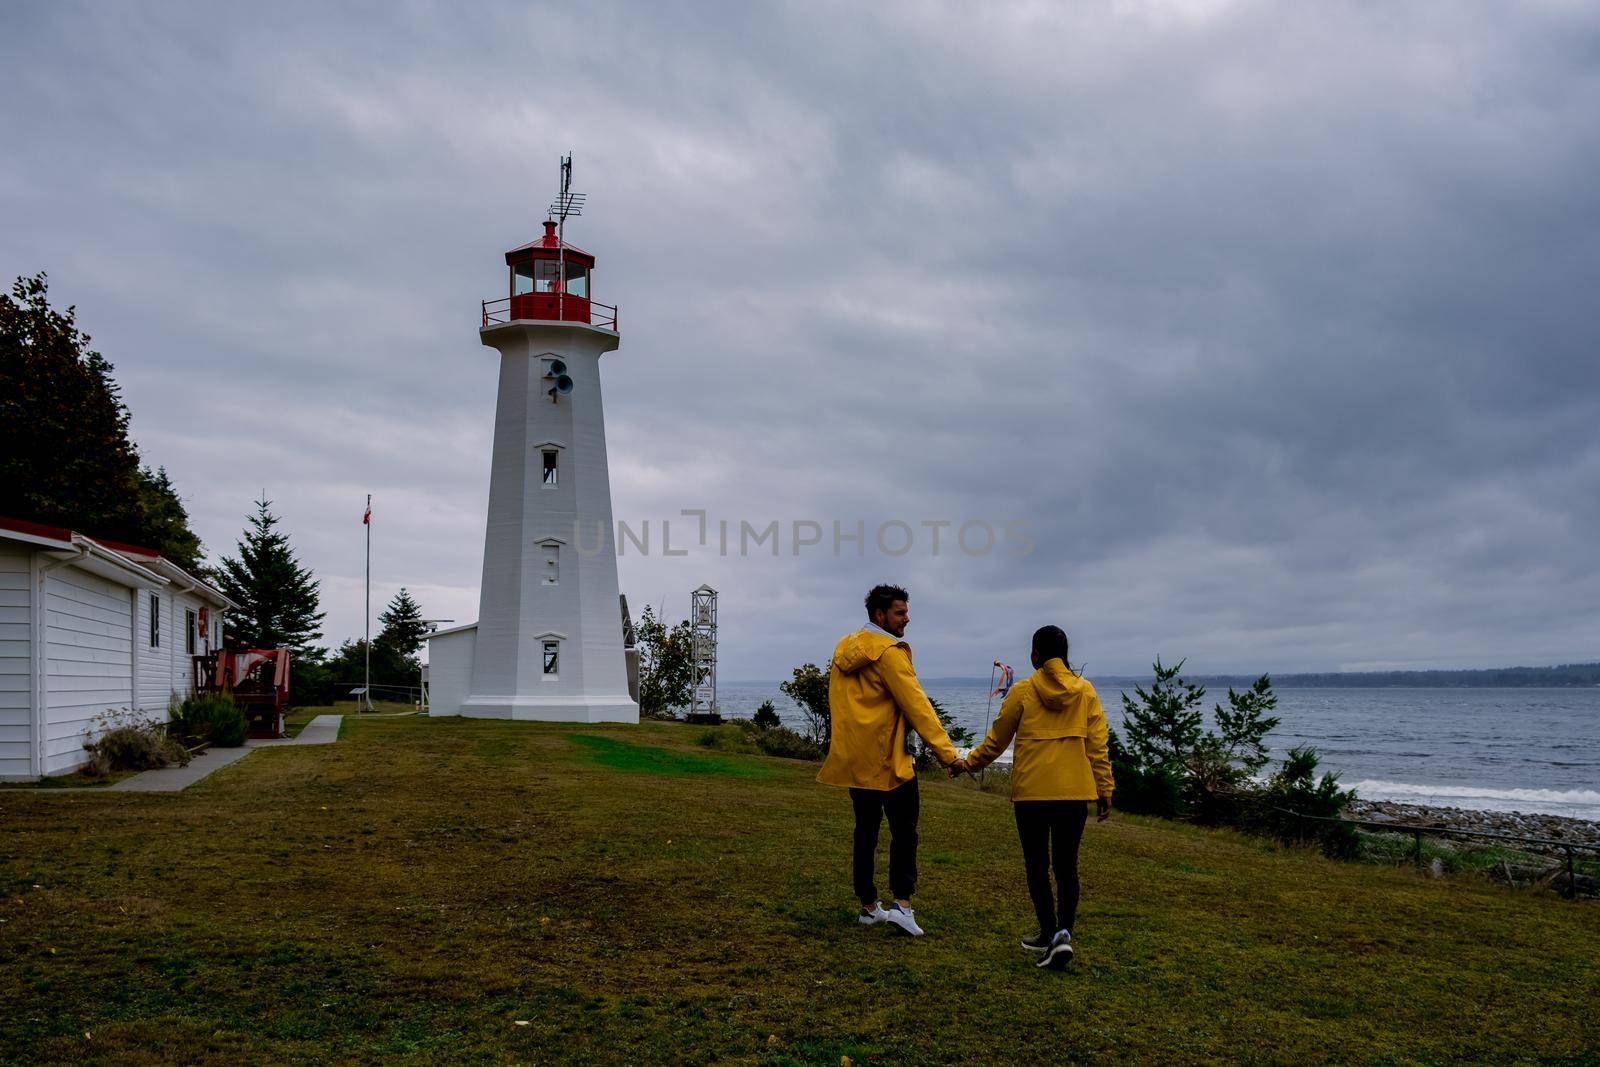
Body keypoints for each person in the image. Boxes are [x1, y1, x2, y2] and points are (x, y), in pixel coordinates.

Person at [953, 625, 1113, 968]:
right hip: (1074, 794)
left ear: (1034, 656)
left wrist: (966, 764)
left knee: (1038, 866)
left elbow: (996, 741)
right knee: (1067, 867)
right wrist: (1105, 788)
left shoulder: (1024, 691)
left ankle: (1048, 931)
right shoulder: (1086, 692)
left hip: (1032, 795)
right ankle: (1062, 934)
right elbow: (1097, 746)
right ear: (1066, 654)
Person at [817, 584, 959, 936]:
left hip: (855, 758)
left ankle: (868, 906)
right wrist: (948, 755)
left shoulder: (843, 649)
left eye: (906, 612)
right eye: (899, 613)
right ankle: (902, 905)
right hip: (891, 761)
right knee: (904, 832)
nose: (906, 619)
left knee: (865, 831)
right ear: (880, 616)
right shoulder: (889, 653)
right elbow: (918, 706)